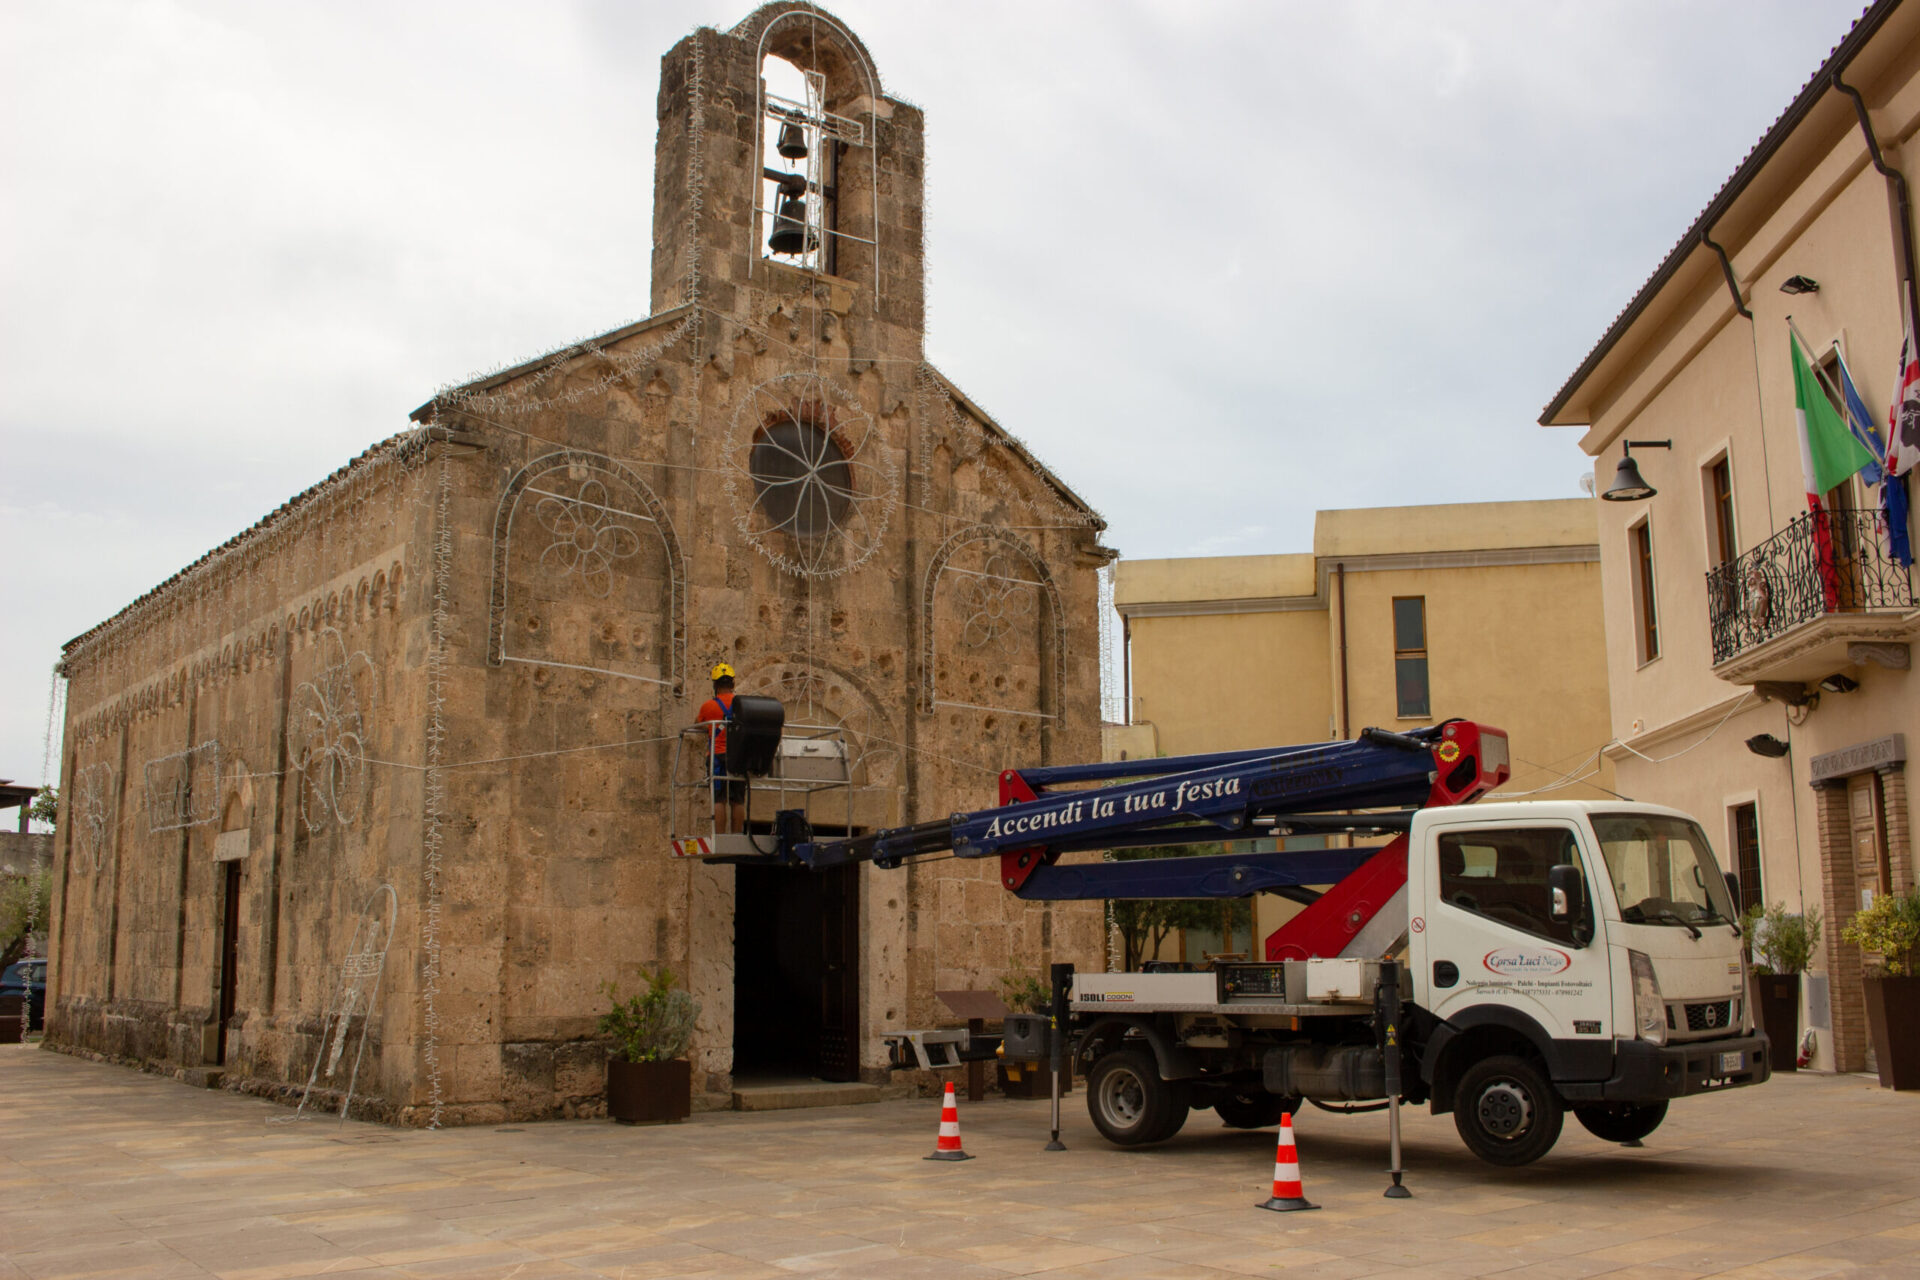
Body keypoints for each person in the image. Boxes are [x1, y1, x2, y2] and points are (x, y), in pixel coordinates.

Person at [696, 663, 747, 834]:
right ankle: (737, 835)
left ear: (715, 685)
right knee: (738, 800)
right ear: (732, 683)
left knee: (719, 799)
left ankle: (719, 836)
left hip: (717, 757)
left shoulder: (708, 706)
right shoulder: (743, 705)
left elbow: (699, 724)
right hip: (738, 757)